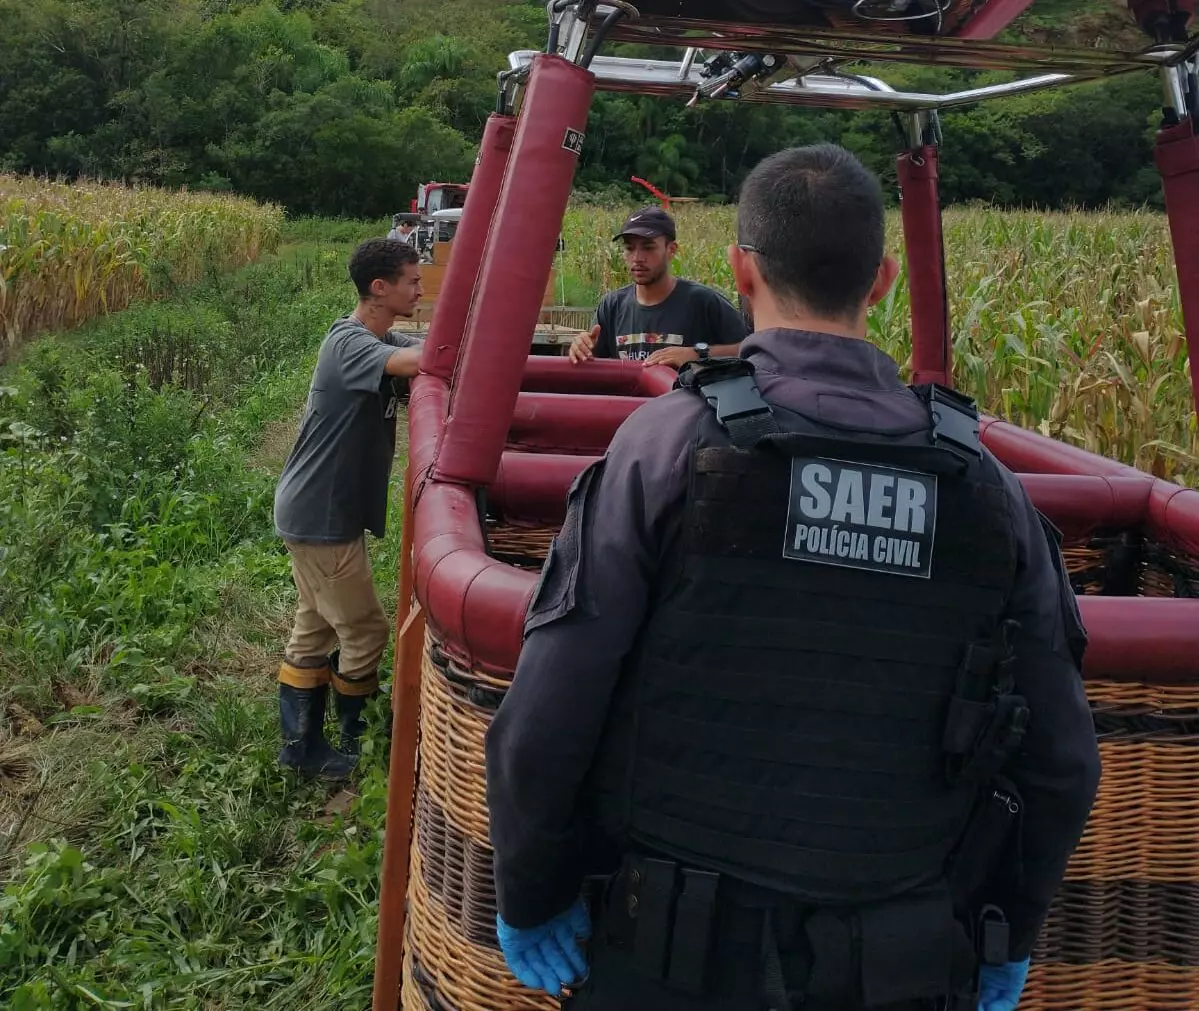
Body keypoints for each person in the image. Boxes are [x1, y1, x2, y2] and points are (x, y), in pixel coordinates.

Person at [484, 145, 1101, 1011]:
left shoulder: (665, 449)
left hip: (672, 951)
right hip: (903, 958)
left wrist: (533, 894)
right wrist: (1008, 931)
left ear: (739, 269)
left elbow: (546, 717)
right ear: (882, 280)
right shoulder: (986, 489)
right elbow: (1062, 761)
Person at [272, 238, 424, 781]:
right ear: (379, 288)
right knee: (365, 630)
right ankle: (355, 741)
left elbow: (418, 351)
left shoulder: (378, 336)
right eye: (411, 279)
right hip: (321, 516)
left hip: (321, 512)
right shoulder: (349, 342)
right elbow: (422, 359)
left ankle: (301, 749)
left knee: (314, 628)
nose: (419, 287)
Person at [568, 206, 746, 368]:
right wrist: (581, 349)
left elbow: (751, 350)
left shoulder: (703, 302)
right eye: (630, 248)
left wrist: (698, 354)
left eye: (648, 247)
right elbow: (594, 363)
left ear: (671, 250)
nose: (637, 257)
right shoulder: (612, 306)